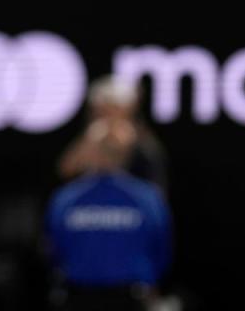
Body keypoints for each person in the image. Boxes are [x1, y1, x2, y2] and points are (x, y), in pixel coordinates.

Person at [46, 118, 172, 311]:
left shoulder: (66, 198)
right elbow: (161, 251)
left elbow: (54, 250)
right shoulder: (147, 198)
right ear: (127, 154)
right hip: (125, 296)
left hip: (85, 296)